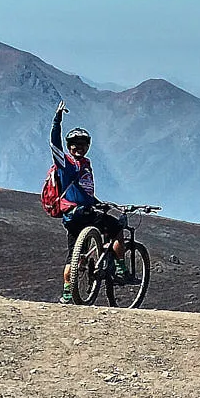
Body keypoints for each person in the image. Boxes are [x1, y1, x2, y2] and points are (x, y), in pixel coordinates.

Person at [50, 100, 130, 304]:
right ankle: (121, 269)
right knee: (116, 227)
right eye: (75, 144)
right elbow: (54, 144)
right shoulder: (66, 164)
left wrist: (98, 202)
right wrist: (57, 121)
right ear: (69, 147)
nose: (79, 147)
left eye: (83, 144)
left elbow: (84, 192)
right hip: (79, 214)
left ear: (87, 146)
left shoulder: (86, 164)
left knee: (74, 256)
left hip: (74, 216)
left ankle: (68, 293)